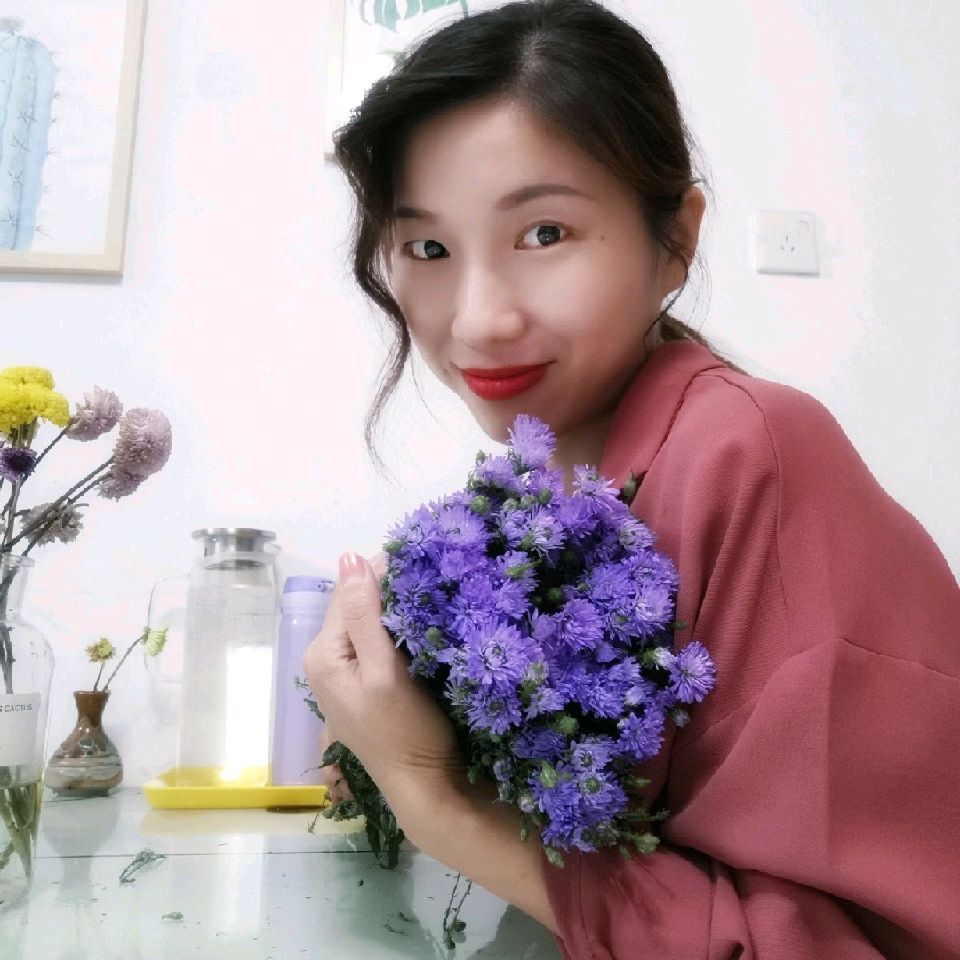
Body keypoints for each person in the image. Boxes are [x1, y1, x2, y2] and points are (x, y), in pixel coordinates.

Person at [303, 2, 960, 957]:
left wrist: (426, 789)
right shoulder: (556, 488)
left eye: (544, 233)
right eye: (428, 249)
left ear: (676, 239)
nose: (478, 319)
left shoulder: (752, 455)